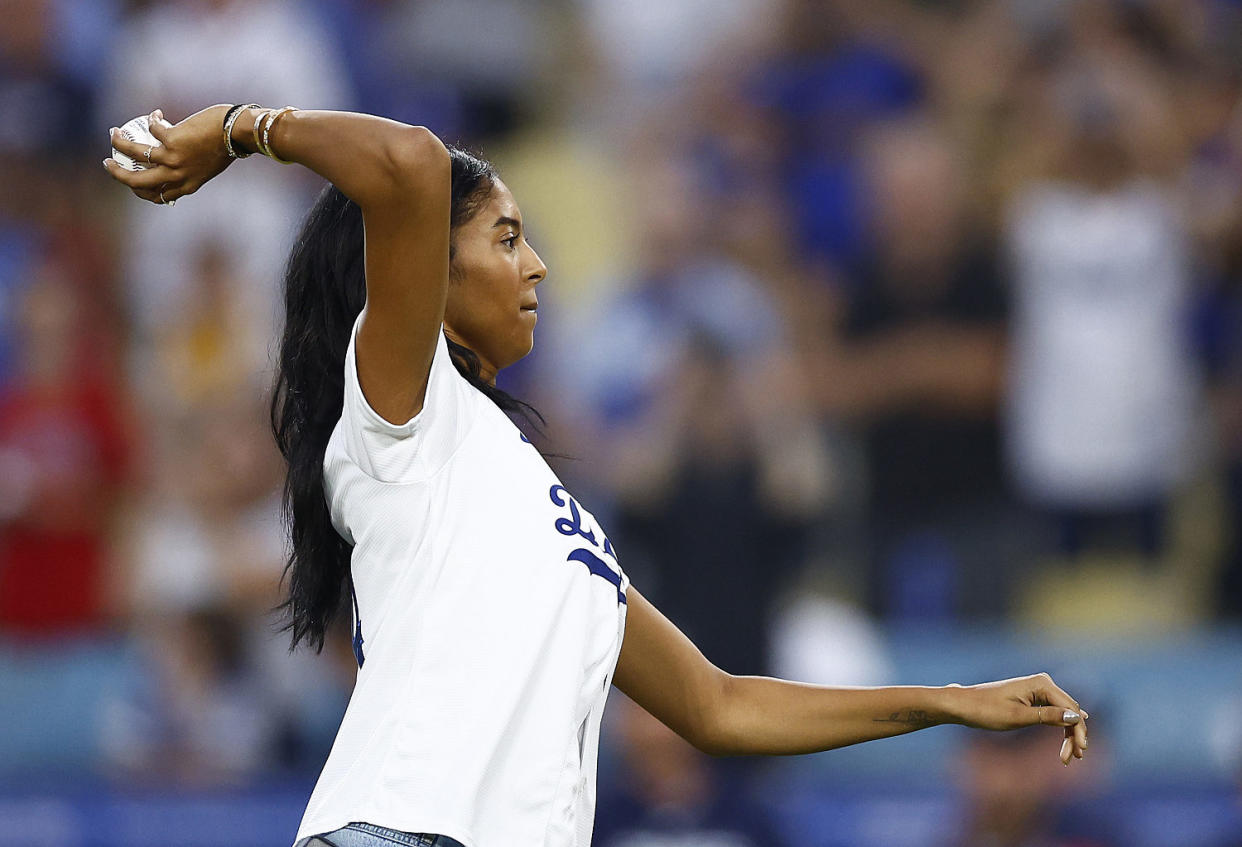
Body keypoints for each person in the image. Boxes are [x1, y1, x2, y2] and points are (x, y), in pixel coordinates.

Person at [104, 104, 1090, 847]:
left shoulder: (534, 497)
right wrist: (236, 130)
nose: (538, 267)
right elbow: (406, 162)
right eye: (504, 237)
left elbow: (718, 704)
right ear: (425, 281)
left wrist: (949, 700)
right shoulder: (400, 412)